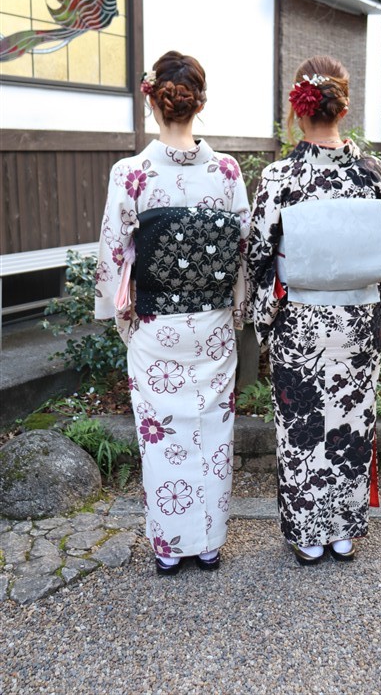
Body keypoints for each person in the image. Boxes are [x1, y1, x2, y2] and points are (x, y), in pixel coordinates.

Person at [95, 51, 250, 575]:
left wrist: (125, 320)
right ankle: (208, 544)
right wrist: (235, 312)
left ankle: (169, 545)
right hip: (211, 324)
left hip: (156, 326)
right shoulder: (226, 171)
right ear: (198, 103)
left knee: (161, 435)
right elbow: (242, 250)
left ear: (153, 101)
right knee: (212, 431)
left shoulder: (131, 173)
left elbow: (115, 254)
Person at [247, 55, 381, 566]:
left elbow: (258, 258)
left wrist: (265, 321)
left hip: (300, 324)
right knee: (350, 423)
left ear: (299, 107)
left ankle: (308, 534)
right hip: (357, 322)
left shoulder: (280, 176)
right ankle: (342, 532)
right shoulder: (372, 173)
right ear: (344, 107)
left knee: (302, 428)